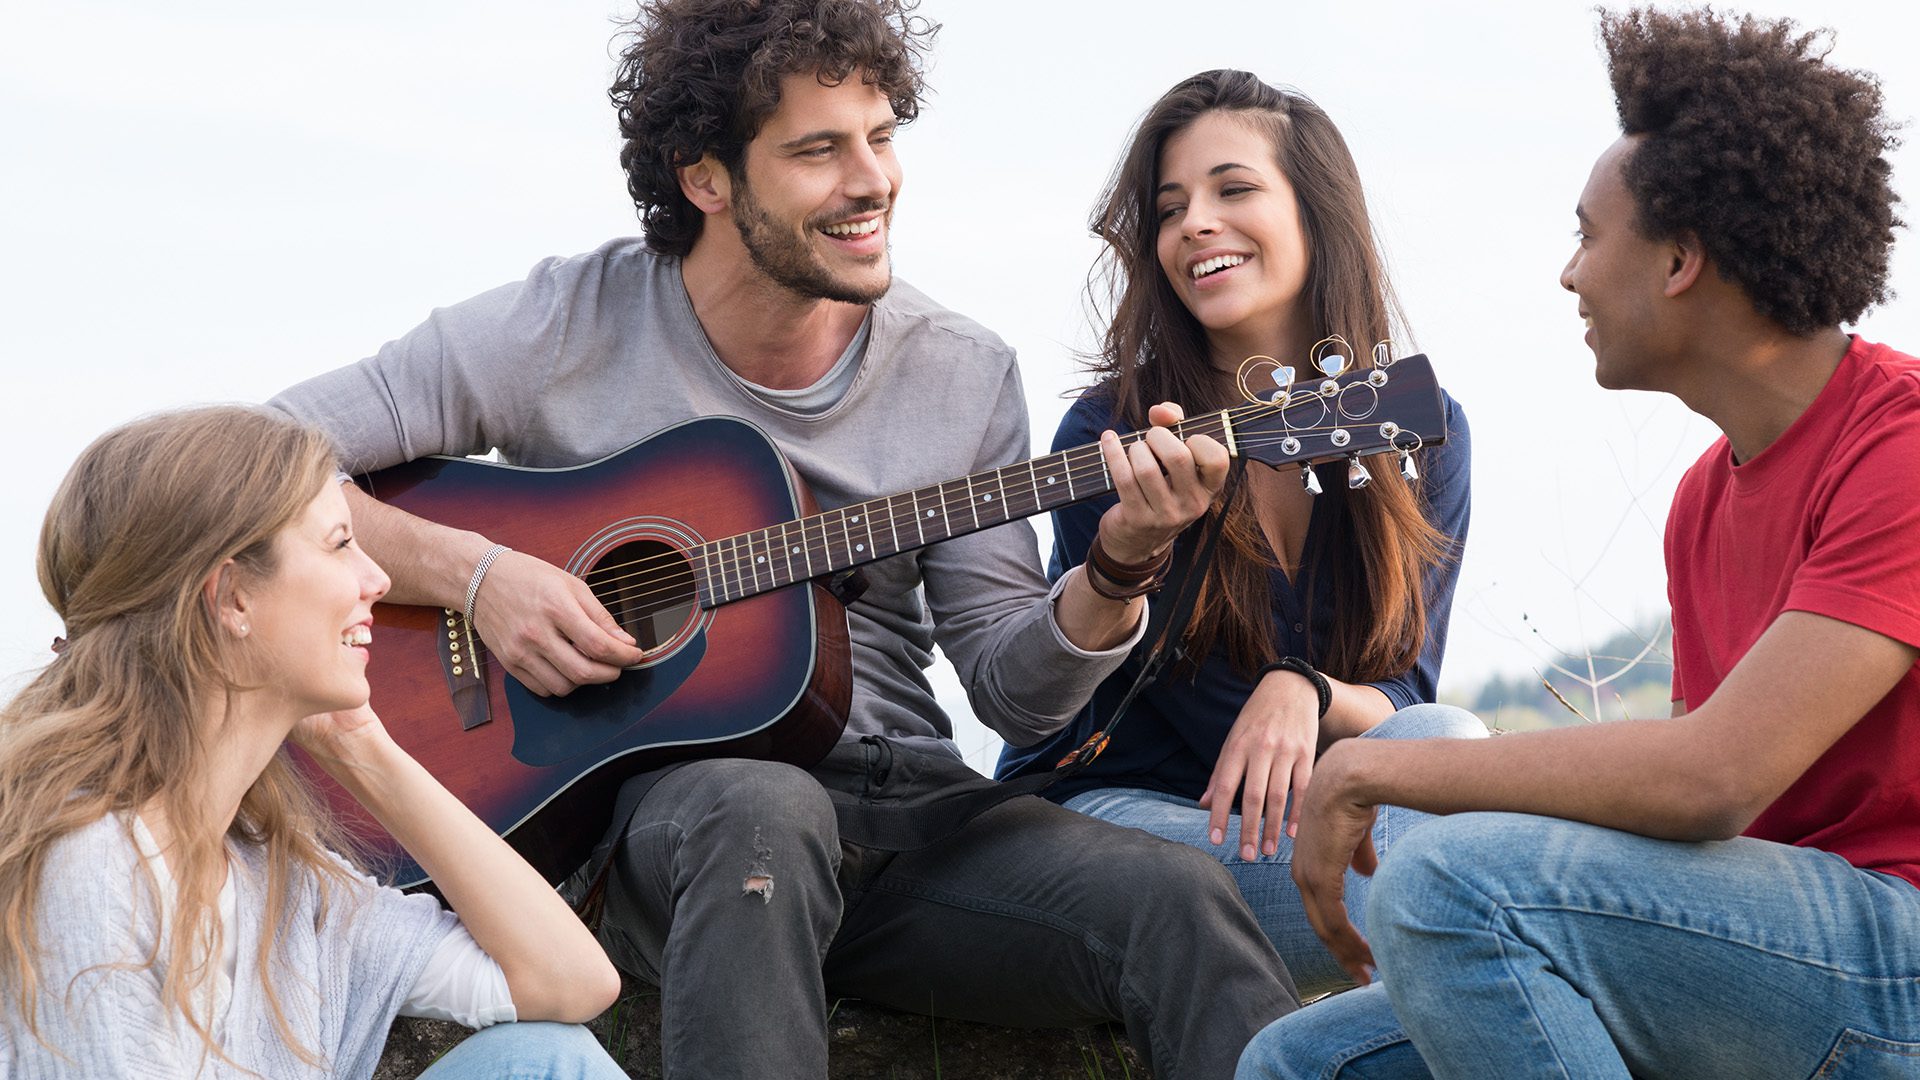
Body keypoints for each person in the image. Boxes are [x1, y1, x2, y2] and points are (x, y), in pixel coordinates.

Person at [270, 1, 1300, 1075]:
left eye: (883, 137)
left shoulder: (960, 368)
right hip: (681, 831)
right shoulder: (565, 324)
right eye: (819, 150)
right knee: (762, 811)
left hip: (911, 826)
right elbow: (257, 455)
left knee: (1178, 897)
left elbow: (1012, 692)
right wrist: (479, 575)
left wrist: (1121, 562)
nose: (873, 181)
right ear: (706, 177)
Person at [1238, 8, 1920, 1078]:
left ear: (1682, 260)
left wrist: (1381, 770)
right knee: (1298, 1066)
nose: (1570, 276)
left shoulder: (1903, 452)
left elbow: (1716, 779)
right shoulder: (1704, 499)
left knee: (1450, 880)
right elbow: (1695, 810)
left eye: (1589, 235)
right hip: (1781, 951)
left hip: (1899, 966)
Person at [997, 70, 1482, 999]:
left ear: (1316, 214)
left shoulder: (1423, 428)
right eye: (1171, 208)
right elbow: (1204, 723)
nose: (1195, 225)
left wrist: (1303, 688)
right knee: (1451, 892)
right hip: (1127, 812)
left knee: (1447, 731)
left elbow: (1405, 690)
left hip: (1319, 801)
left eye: (1234, 189)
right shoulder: (1113, 438)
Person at [0, 407, 623, 1078]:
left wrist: (364, 750)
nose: (377, 579)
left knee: (547, 1060)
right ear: (233, 598)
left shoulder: (279, 882)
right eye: (338, 544)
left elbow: (570, 983)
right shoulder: (96, 867)